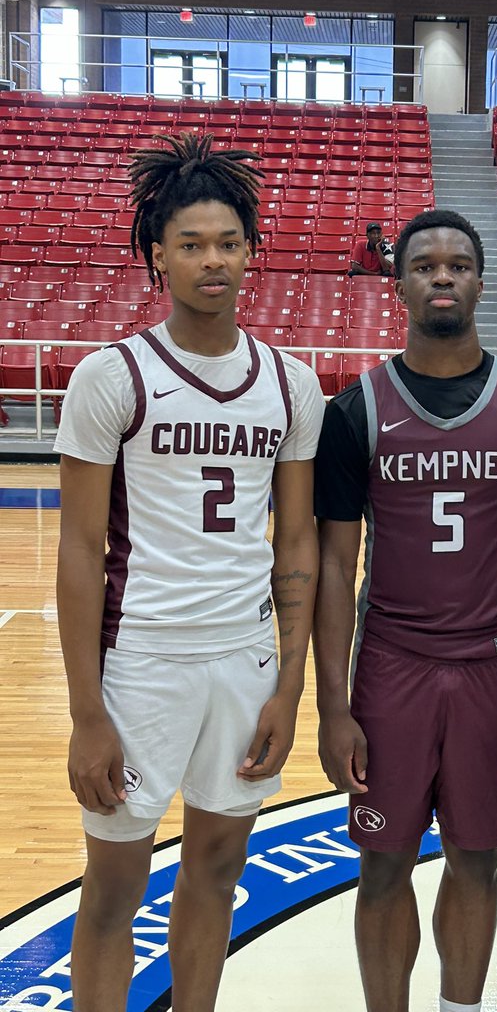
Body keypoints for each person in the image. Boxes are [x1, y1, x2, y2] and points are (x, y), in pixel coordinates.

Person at [54, 132, 325, 1012]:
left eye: (228, 242)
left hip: (241, 660)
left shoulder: (290, 383)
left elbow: (296, 550)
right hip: (142, 661)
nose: (213, 261)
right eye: (191, 244)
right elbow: (78, 554)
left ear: (251, 250)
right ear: (158, 257)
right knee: (115, 888)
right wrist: (87, 714)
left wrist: (291, 688)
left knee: (215, 871)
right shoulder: (111, 376)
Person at [314, 207, 497, 1012]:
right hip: (390, 668)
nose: (441, 276)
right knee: (383, 865)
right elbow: (333, 564)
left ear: (481, 281)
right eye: (424, 264)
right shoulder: (356, 409)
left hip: (491, 668)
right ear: (398, 285)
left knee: (476, 861)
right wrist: (332, 708)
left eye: (458, 264)